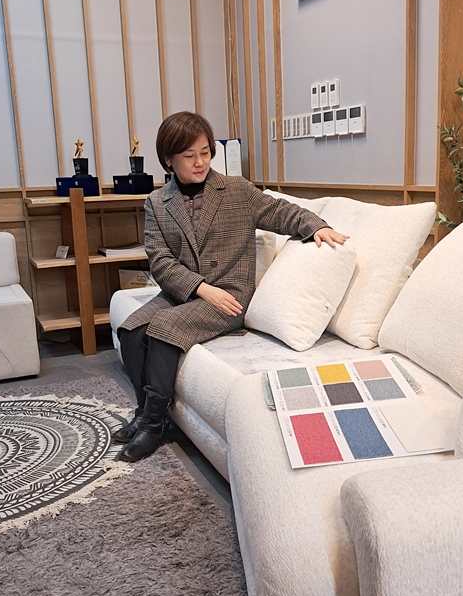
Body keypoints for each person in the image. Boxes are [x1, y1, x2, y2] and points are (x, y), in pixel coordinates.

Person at [115, 111, 349, 462]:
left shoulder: (236, 190)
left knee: (164, 328)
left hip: (229, 297)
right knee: (131, 331)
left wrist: (316, 226)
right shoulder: (157, 203)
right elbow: (160, 261)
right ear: (169, 159)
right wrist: (199, 288)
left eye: (205, 152)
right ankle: (143, 410)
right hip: (185, 292)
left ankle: (154, 424)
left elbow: (282, 212)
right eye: (189, 155)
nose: (200, 162)